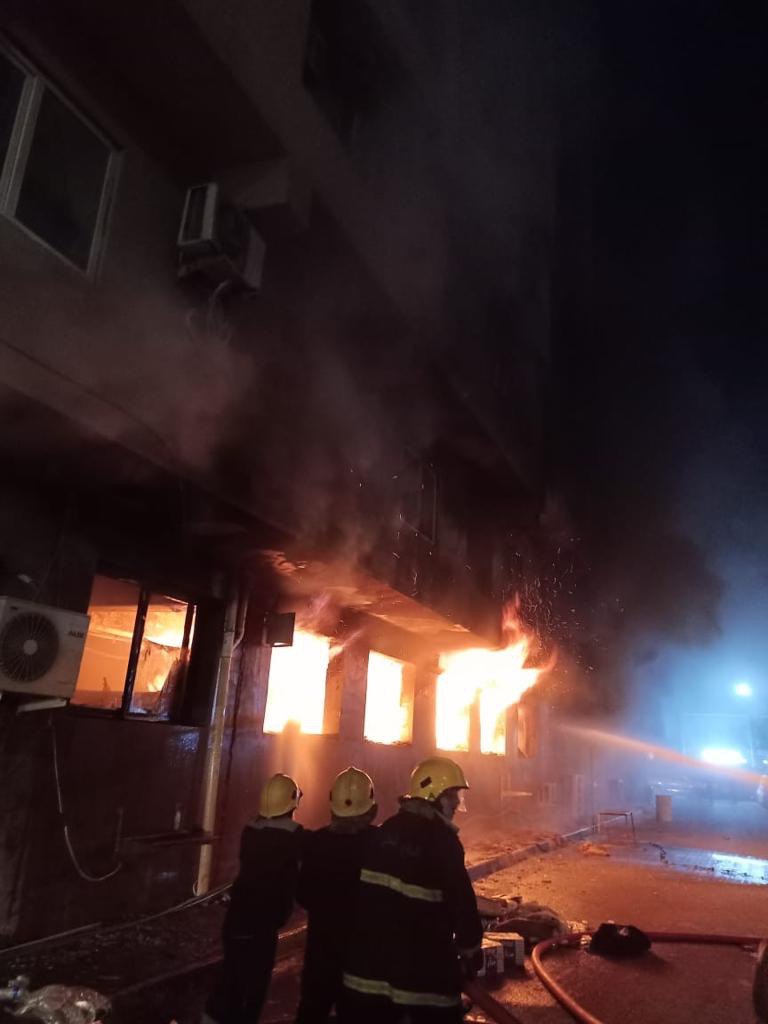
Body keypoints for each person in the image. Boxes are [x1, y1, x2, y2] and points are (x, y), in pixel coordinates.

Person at [339, 757, 483, 1023]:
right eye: (453, 796)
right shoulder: (443, 842)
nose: (456, 804)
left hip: (365, 977)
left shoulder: (384, 831)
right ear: (436, 796)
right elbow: (462, 905)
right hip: (422, 980)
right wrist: (471, 949)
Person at [204, 772, 303, 1024]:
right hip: (262, 927)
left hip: (236, 920)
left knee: (230, 981)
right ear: (291, 803)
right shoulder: (294, 836)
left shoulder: (251, 830)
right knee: (253, 993)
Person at [295, 766, 378, 1023]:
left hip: (320, 954)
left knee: (311, 1012)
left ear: (332, 804)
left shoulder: (317, 842)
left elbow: (303, 895)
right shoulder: (379, 843)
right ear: (371, 808)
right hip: (362, 960)